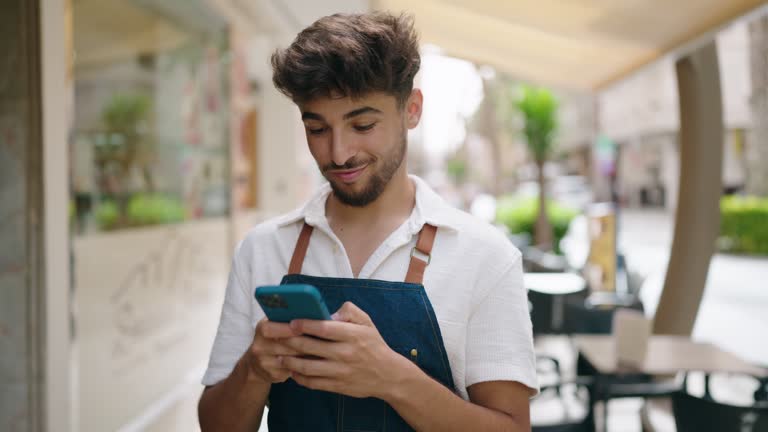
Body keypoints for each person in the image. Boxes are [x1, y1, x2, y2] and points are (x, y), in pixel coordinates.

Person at [197, 11, 538, 431]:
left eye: (362, 124)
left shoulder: (485, 256)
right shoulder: (263, 248)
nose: (338, 153)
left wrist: (392, 379)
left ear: (411, 110)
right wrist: (253, 369)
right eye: (317, 128)